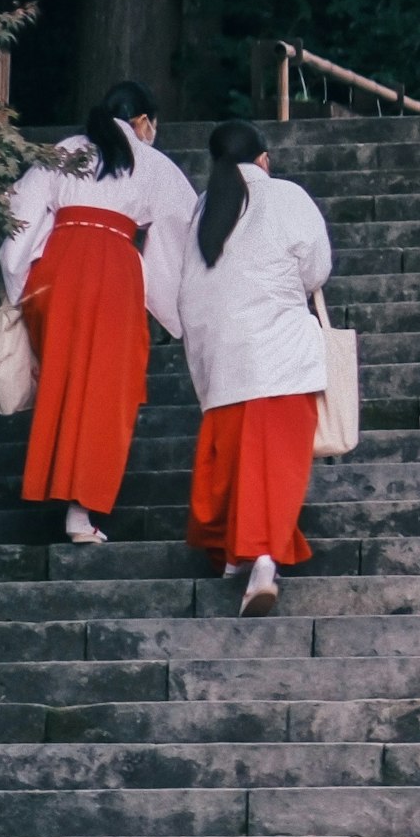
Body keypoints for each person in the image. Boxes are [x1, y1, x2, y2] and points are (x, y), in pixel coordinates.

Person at [149, 120, 336, 615]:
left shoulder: (204, 211)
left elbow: (185, 288)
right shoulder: (286, 196)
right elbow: (317, 269)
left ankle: (236, 554)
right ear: (264, 159)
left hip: (222, 362)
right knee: (275, 467)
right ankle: (263, 563)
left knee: (236, 466)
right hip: (278, 356)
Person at [0, 81, 194, 545]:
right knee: (106, 388)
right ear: (143, 121)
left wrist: (18, 280)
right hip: (113, 268)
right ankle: (80, 509)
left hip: (58, 266)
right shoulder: (151, 161)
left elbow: (21, 211)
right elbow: (182, 227)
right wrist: (177, 306)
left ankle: (56, 485)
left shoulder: (65, 149)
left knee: (63, 378)